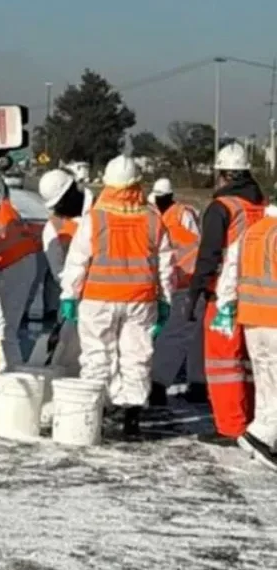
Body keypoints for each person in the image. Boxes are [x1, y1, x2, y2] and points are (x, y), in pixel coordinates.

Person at [59, 155, 175, 437]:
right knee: (136, 356)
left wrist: (69, 296)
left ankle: (96, 413)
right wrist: (165, 301)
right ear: (137, 184)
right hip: (140, 299)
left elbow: (77, 260)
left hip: (98, 298)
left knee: (98, 355)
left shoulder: (95, 218)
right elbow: (166, 265)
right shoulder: (152, 219)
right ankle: (130, 417)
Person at [186, 143, 267, 446]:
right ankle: (255, 424)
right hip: (259, 294)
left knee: (223, 362)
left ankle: (231, 427)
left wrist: (196, 291)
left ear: (223, 175)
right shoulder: (260, 206)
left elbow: (209, 255)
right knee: (250, 363)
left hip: (224, 295)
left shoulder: (221, 208)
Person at [210, 208, 277, 470]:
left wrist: (226, 305)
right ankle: (259, 435)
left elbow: (230, 271)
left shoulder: (253, 231)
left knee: (266, 381)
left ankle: (263, 438)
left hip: (253, 320)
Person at [0, 172, 41, 373]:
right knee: (5, 326)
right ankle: (7, 371)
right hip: (22, 265)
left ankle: (8, 374)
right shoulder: (7, 210)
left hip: (13, 267)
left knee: (3, 327)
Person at [148, 177, 204, 404]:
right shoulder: (157, 216)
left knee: (181, 333)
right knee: (184, 333)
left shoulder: (182, 214)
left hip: (186, 280)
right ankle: (179, 382)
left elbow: (193, 246)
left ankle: (162, 383)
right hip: (178, 280)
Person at [37, 169, 85, 373]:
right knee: (69, 356)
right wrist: (72, 294)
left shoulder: (98, 213)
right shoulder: (53, 228)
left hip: (106, 293)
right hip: (77, 295)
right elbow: (59, 271)